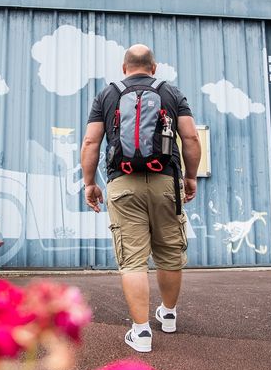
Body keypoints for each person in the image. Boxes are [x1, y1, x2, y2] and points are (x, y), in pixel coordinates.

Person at [81, 44, 201, 353]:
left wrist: (89, 183)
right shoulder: (171, 93)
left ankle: (141, 331)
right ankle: (169, 315)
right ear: (154, 67)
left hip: (123, 184)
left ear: (124, 68)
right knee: (169, 252)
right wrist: (189, 177)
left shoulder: (107, 94)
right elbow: (190, 137)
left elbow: (91, 141)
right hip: (165, 181)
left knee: (133, 259)